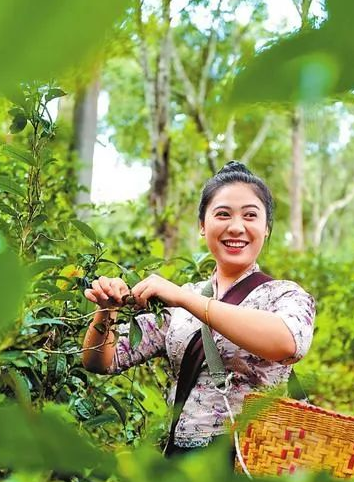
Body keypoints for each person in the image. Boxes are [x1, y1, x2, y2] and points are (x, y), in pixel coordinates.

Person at [81, 161, 316, 457]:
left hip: (248, 462)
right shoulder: (181, 299)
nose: (236, 227)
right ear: (202, 227)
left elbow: (288, 344)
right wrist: (106, 310)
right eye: (222, 215)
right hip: (180, 462)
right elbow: (102, 361)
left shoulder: (284, 295)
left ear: (266, 229)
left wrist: (184, 299)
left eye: (250, 216)